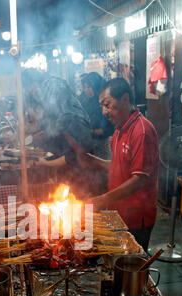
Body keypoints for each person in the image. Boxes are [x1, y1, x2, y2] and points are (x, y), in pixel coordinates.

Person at [66, 77, 159, 252]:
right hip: (119, 212)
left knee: (133, 268)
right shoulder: (119, 130)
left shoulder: (142, 131)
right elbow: (119, 166)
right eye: (101, 106)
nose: (104, 111)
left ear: (125, 99)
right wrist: (92, 161)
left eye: (107, 105)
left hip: (137, 216)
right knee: (116, 265)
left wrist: (103, 199)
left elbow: (139, 179)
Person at [20, 69, 106, 198]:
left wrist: (44, 163)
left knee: (83, 210)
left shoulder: (71, 120)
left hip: (85, 181)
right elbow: (44, 126)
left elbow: (73, 157)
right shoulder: (61, 118)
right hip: (74, 175)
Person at [79, 72, 115, 144]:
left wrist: (91, 132)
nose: (86, 90)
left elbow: (110, 129)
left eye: (89, 87)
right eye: (85, 87)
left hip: (103, 143)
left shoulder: (106, 102)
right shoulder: (85, 100)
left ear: (96, 86)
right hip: (88, 142)